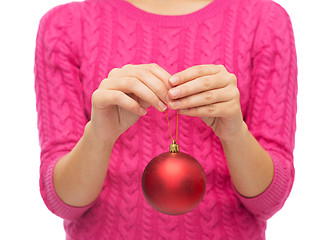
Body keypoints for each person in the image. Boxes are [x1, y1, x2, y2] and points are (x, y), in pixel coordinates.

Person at [34, 0, 297, 239]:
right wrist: (99, 137)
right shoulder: (65, 26)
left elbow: (269, 201)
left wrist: (235, 133)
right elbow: (63, 202)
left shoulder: (265, 21)